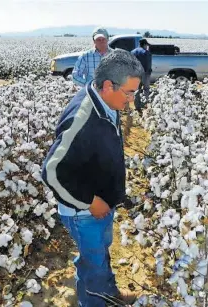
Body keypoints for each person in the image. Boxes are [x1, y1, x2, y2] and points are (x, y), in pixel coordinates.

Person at [41, 49, 143, 307]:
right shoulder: (82, 117)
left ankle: (106, 294)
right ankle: (95, 301)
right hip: (83, 212)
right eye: (129, 92)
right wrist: (90, 201)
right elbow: (51, 170)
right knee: (94, 262)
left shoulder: (106, 101)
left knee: (98, 256)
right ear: (108, 85)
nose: (132, 100)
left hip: (100, 205)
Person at [131, 39, 152, 114]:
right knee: (146, 89)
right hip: (145, 73)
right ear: (144, 44)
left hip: (135, 74)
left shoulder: (132, 52)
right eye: (147, 45)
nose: (147, 47)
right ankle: (146, 104)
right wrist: (148, 72)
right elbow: (148, 64)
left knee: (136, 90)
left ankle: (137, 107)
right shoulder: (146, 52)